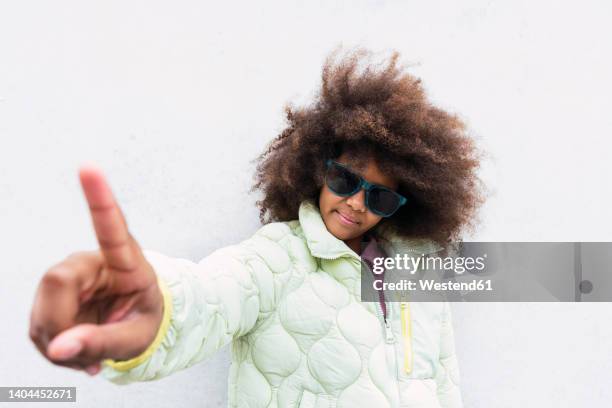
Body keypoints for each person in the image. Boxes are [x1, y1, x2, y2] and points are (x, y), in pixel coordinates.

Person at [29, 48, 484, 408]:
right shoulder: (276, 258)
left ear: (404, 205)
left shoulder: (420, 274)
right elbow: (208, 297)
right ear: (315, 168)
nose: (356, 203)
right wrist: (154, 307)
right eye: (346, 179)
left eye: (381, 197)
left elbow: (445, 385)